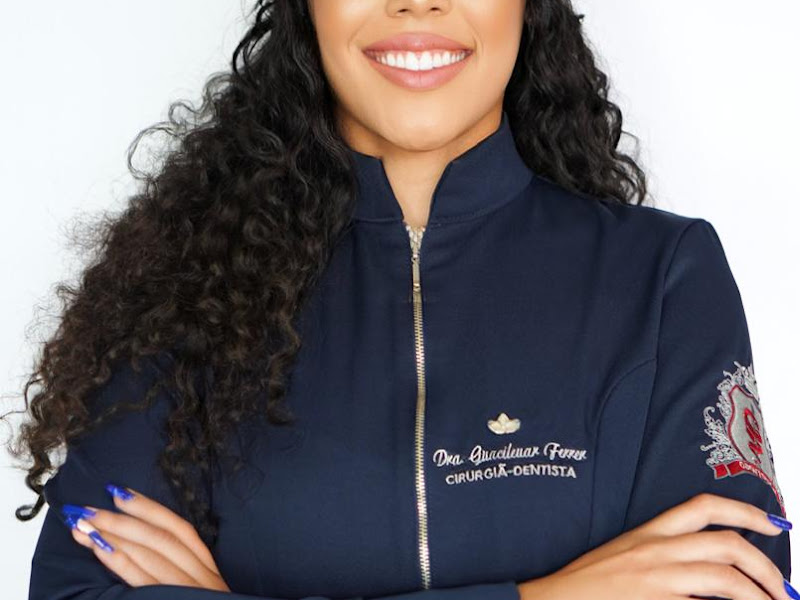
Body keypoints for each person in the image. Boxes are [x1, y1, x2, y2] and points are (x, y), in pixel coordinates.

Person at [8, 1, 794, 599]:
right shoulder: (177, 292)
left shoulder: (663, 277)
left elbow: (734, 581)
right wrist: (549, 596)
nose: (417, 3)